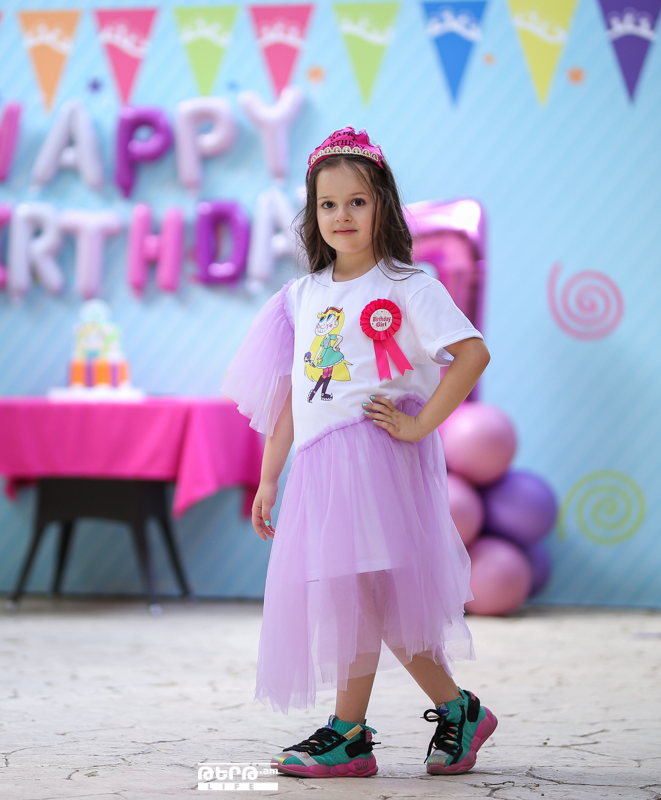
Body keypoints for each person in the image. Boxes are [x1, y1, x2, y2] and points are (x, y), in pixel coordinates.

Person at [222, 128, 496, 778]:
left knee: (365, 596)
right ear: (312, 213)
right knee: (364, 599)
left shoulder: (407, 284)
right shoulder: (302, 297)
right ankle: (455, 710)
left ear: (383, 207)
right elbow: (296, 396)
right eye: (328, 204)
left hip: (375, 461)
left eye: (357, 202)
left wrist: (420, 425)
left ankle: (350, 732)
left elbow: (472, 353)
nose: (342, 215)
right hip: (321, 469)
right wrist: (269, 476)